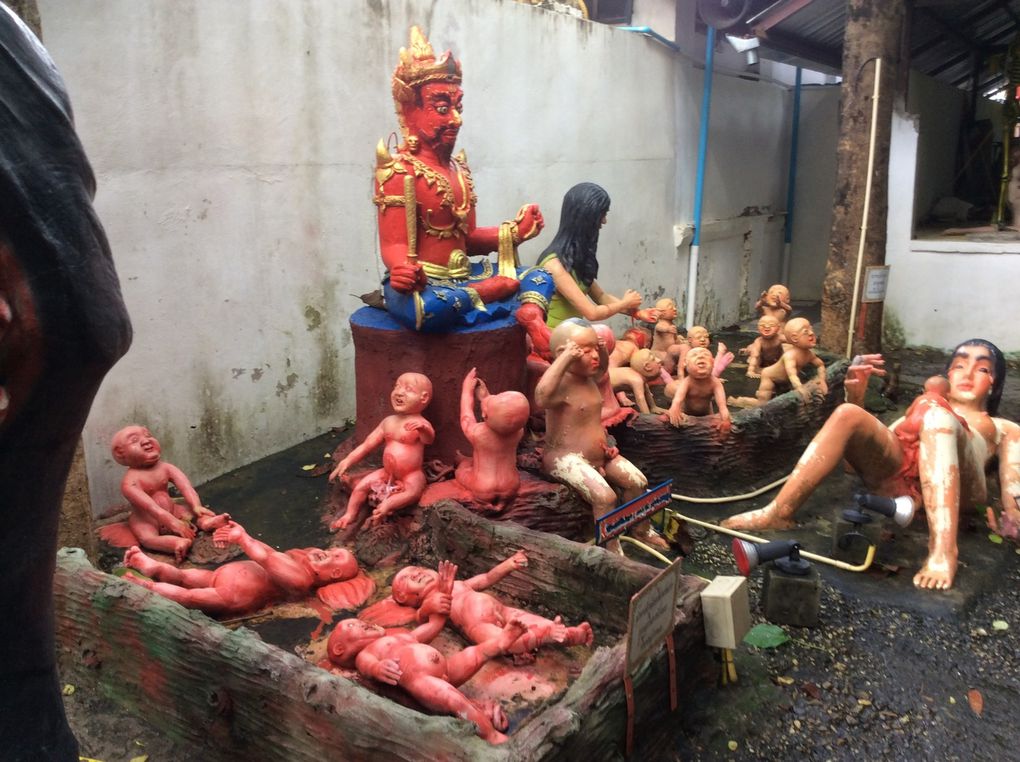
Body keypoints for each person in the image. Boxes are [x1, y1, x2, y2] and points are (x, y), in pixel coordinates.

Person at [722, 340, 1020, 591]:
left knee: (939, 418)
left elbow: (1013, 489)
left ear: (994, 382)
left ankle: (943, 550)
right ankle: (778, 512)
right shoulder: (922, 409)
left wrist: (1012, 513)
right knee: (848, 413)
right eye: (958, 365)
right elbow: (856, 468)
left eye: (981, 368)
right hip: (901, 481)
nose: (967, 373)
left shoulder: (1002, 426)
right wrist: (857, 394)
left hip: (965, 486)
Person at [375, 26, 553, 354]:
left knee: (540, 276)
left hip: (461, 276)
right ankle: (489, 291)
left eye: (459, 107)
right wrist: (401, 268)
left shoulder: (459, 170)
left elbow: (466, 238)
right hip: (423, 284)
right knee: (426, 310)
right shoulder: (399, 172)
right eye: (442, 108)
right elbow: (395, 242)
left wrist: (514, 233)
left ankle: (530, 313)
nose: (456, 119)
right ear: (410, 109)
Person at [327, 561, 525, 745]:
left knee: (475, 653)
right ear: (340, 649)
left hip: (445, 671)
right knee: (453, 699)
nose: (362, 623)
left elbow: (434, 625)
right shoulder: (368, 652)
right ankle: (492, 737)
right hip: (422, 683)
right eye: (352, 625)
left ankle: (501, 642)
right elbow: (367, 667)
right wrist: (378, 668)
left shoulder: (402, 636)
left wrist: (445, 594)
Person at [535, 319, 667, 552]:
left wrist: (602, 349)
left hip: (600, 451)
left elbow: (603, 367)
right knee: (605, 498)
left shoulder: (589, 378)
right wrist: (565, 358)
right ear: (562, 354)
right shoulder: (560, 384)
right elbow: (541, 398)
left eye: (596, 349)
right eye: (586, 351)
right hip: (564, 457)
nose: (594, 356)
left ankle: (642, 530)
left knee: (638, 481)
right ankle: (610, 547)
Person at [122, 520, 372, 616]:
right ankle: (151, 566)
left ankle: (147, 586)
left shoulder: (300, 580)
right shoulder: (296, 560)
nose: (325, 552)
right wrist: (238, 532)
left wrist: (243, 538)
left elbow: (265, 558)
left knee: (190, 596)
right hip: (223, 577)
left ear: (332, 576)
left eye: (333, 559)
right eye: (330, 550)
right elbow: (266, 550)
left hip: (236, 595)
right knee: (186, 576)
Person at [390, 550, 593, 660]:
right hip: (476, 624)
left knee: (530, 620)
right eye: (406, 577)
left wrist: (508, 564)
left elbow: (486, 578)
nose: (415, 572)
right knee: (505, 642)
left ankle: (568, 635)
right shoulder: (428, 603)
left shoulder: (460, 584)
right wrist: (429, 606)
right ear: (403, 598)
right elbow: (422, 619)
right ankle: (545, 636)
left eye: (417, 568)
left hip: (501, 609)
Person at [537, 182, 658, 329]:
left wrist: (638, 314)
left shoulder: (574, 261)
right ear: (586, 218)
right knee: (605, 335)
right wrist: (625, 303)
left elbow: (601, 297)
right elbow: (592, 313)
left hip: (575, 335)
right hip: (556, 341)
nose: (604, 221)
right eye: (602, 215)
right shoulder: (554, 265)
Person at [330, 372, 434, 531]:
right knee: (361, 487)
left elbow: (429, 440)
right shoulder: (388, 422)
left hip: (411, 474)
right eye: (397, 387)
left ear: (424, 398)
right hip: (387, 472)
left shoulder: (420, 423)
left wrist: (424, 429)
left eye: (408, 389)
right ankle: (350, 515)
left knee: (413, 491)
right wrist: (347, 460)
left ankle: (387, 506)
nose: (399, 392)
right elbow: (367, 445)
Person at [111, 425, 229, 561]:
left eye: (148, 435)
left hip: (173, 510)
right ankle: (176, 543)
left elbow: (186, 488)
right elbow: (152, 508)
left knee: (193, 511)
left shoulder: (166, 467)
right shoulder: (129, 482)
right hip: (147, 519)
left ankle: (207, 523)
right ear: (120, 453)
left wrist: (196, 505)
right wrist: (172, 522)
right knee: (148, 538)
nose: (146, 441)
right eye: (135, 440)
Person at [454, 367, 531, 510]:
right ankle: (501, 503)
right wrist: (486, 397)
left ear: (485, 415)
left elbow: (466, 416)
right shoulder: (518, 431)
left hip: (483, 488)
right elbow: (502, 414)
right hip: (511, 485)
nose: (493, 396)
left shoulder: (479, 434)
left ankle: (485, 502)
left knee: (461, 470)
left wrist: (466, 390)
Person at [729, 317, 827, 406]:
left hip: (785, 380)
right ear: (794, 338)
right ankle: (738, 401)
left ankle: (773, 392)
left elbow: (820, 365)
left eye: (811, 329)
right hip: (770, 377)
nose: (811, 333)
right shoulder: (790, 356)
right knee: (762, 404)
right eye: (806, 332)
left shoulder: (808, 354)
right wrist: (800, 388)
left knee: (784, 399)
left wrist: (822, 380)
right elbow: (791, 374)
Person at [666, 347, 732, 432]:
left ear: (713, 362)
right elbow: (677, 401)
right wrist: (674, 410)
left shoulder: (715, 383)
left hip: (707, 415)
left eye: (705, 354)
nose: (701, 356)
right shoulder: (687, 382)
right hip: (686, 413)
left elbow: (722, 406)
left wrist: (726, 420)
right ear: (685, 363)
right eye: (695, 355)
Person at [744, 315, 784, 379]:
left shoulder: (780, 338)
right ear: (757, 327)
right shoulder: (759, 341)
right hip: (762, 362)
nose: (767, 327)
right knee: (754, 351)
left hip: (776, 361)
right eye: (762, 325)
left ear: (778, 327)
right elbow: (755, 356)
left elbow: (793, 341)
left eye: (772, 325)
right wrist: (750, 371)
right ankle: (747, 350)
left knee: (789, 347)